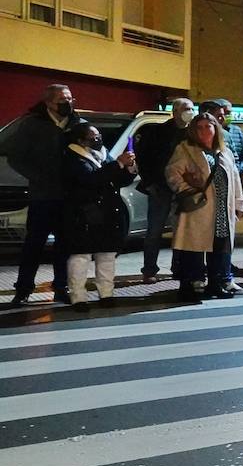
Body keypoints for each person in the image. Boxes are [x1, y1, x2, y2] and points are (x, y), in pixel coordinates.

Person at [3, 84, 82, 305]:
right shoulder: (32, 125)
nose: (68, 103)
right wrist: (37, 176)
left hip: (68, 196)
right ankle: (23, 289)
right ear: (48, 102)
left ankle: (61, 287)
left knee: (65, 245)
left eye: (70, 98)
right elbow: (15, 156)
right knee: (34, 245)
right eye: (62, 100)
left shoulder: (78, 125)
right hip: (42, 196)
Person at [166, 112, 243, 303]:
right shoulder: (185, 149)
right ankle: (188, 286)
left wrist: (239, 202)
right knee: (192, 250)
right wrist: (188, 189)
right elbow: (172, 173)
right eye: (199, 127)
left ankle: (215, 284)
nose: (204, 130)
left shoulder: (224, 152)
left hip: (221, 210)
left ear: (215, 129)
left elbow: (234, 179)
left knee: (219, 249)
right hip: (198, 209)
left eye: (208, 126)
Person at [62, 122, 138, 310]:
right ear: (80, 140)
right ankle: (78, 297)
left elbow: (116, 179)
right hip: (83, 215)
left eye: (99, 136)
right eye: (92, 137)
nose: (97, 140)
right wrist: (118, 164)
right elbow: (91, 179)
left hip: (107, 214)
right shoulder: (72, 158)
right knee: (81, 257)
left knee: (107, 255)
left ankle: (106, 294)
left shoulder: (103, 155)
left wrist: (128, 168)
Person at [135, 97, 195, 281]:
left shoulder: (193, 134)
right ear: (175, 112)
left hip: (183, 189)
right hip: (161, 188)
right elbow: (144, 159)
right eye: (186, 109)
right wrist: (150, 183)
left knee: (181, 230)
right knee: (154, 231)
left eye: (192, 108)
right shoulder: (158, 132)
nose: (190, 112)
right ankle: (149, 270)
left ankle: (178, 267)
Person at [199, 100, 243, 293]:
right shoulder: (194, 146)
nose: (223, 117)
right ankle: (203, 280)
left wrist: (240, 201)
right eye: (219, 115)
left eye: (225, 114)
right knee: (206, 244)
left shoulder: (229, 140)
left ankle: (223, 279)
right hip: (204, 203)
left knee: (222, 242)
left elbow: (241, 164)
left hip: (224, 202)